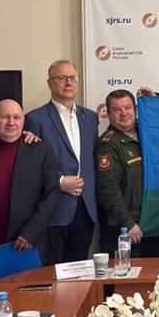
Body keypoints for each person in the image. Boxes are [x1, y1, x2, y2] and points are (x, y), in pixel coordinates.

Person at [24, 60, 99, 262]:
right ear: (50, 83)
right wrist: (59, 181)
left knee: (80, 270)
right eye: (62, 78)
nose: (69, 82)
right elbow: (29, 166)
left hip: (86, 209)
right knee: (53, 271)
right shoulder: (35, 119)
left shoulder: (90, 118)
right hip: (54, 210)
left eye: (73, 77)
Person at [0, 99, 61, 268]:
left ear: (23, 121)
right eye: (5, 117)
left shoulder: (41, 150)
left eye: (17, 117)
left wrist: (30, 233)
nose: (11, 122)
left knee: (29, 286)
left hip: (26, 242)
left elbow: (52, 195)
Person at [96, 89, 159, 257]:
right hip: (127, 229)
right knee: (126, 272)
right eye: (117, 109)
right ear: (108, 114)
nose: (124, 113)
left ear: (135, 109)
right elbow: (108, 189)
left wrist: (154, 99)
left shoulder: (148, 131)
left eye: (128, 107)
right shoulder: (108, 144)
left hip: (153, 222)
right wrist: (127, 223)